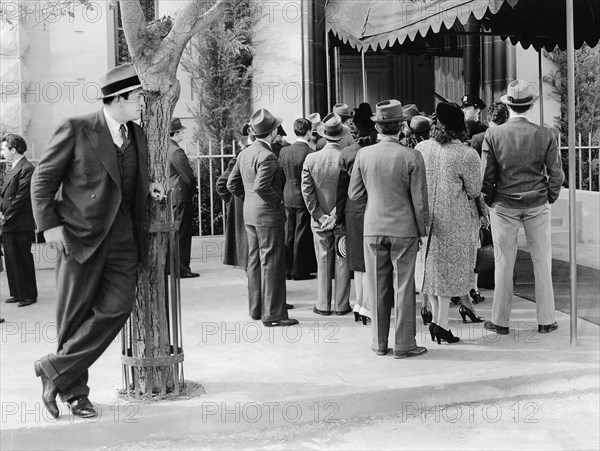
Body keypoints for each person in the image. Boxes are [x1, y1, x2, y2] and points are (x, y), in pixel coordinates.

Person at [30, 63, 163, 419]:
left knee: (118, 307)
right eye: (137, 99)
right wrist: (50, 227)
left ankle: (52, 368)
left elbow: (126, 180)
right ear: (117, 98)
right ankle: (76, 395)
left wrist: (149, 186)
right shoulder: (76, 128)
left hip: (123, 238)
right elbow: (42, 181)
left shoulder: (136, 134)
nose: (141, 105)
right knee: (74, 318)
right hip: (79, 237)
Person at [482, 80, 564, 335]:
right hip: (537, 202)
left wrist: (491, 198)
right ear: (531, 105)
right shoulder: (546, 134)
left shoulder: (493, 134)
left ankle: (501, 321)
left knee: (504, 262)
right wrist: (549, 196)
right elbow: (557, 174)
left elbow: (486, 175)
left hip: (504, 204)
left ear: (509, 104)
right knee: (542, 262)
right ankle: (546, 319)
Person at [349, 99, 429, 359]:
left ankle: (379, 343)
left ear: (378, 127)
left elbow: (354, 194)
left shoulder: (364, 154)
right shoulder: (412, 155)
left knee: (376, 285)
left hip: (373, 227)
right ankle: (405, 344)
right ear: (401, 126)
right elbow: (419, 201)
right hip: (404, 228)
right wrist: (421, 231)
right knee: (404, 287)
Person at [416, 102, 486, 344]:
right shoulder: (466, 154)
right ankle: (441, 324)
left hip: (426, 219)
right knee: (449, 273)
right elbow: (475, 189)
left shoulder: (422, 148)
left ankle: (439, 322)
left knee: (434, 272)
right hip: (455, 219)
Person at [227, 108, 298, 327]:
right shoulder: (267, 155)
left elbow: (231, 184)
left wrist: (249, 200)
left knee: (255, 262)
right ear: (273, 131)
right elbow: (261, 186)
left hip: (250, 214)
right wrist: (277, 202)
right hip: (268, 215)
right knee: (273, 263)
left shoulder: (246, 152)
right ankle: (274, 314)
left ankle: (256, 309)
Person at [302, 113, 352, 316]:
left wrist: (320, 215)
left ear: (324, 135)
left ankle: (323, 305)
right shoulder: (348, 157)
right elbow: (350, 191)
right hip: (341, 218)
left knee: (323, 260)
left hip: (320, 220)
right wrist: (335, 214)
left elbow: (307, 191)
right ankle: (341, 305)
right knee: (342, 259)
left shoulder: (311, 158)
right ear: (340, 136)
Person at [336, 103, 377, 325]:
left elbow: (341, 190)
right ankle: (368, 306)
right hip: (372, 209)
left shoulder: (347, 153)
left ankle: (359, 303)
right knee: (371, 261)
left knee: (357, 262)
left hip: (352, 211)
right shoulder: (375, 151)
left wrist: (339, 216)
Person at [0, 134, 38, 308]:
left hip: (20, 223)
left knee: (22, 259)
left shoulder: (27, 168)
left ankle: (28, 295)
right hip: (9, 223)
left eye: (3, 149)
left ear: (13, 150)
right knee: (11, 260)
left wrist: (5, 216)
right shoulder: (13, 167)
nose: (2, 152)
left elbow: (21, 197)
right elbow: (4, 195)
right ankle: (17, 293)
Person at [278, 118, 317, 280]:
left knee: (289, 233)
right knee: (301, 234)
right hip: (303, 196)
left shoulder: (284, 151)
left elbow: (280, 175)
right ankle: (299, 270)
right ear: (308, 132)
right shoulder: (310, 153)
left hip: (287, 194)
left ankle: (287, 270)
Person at [167, 118, 199, 278]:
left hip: (173, 195)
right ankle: (181, 269)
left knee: (174, 232)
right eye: (182, 131)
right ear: (176, 133)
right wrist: (195, 190)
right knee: (182, 234)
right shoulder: (176, 151)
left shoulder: (166, 148)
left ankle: (171, 267)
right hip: (181, 196)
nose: (183, 134)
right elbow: (188, 175)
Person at [216, 123, 250, 269]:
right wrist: (234, 200)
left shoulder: (241, 155)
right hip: (244, 203)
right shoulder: (243, 156)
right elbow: (222, 183)